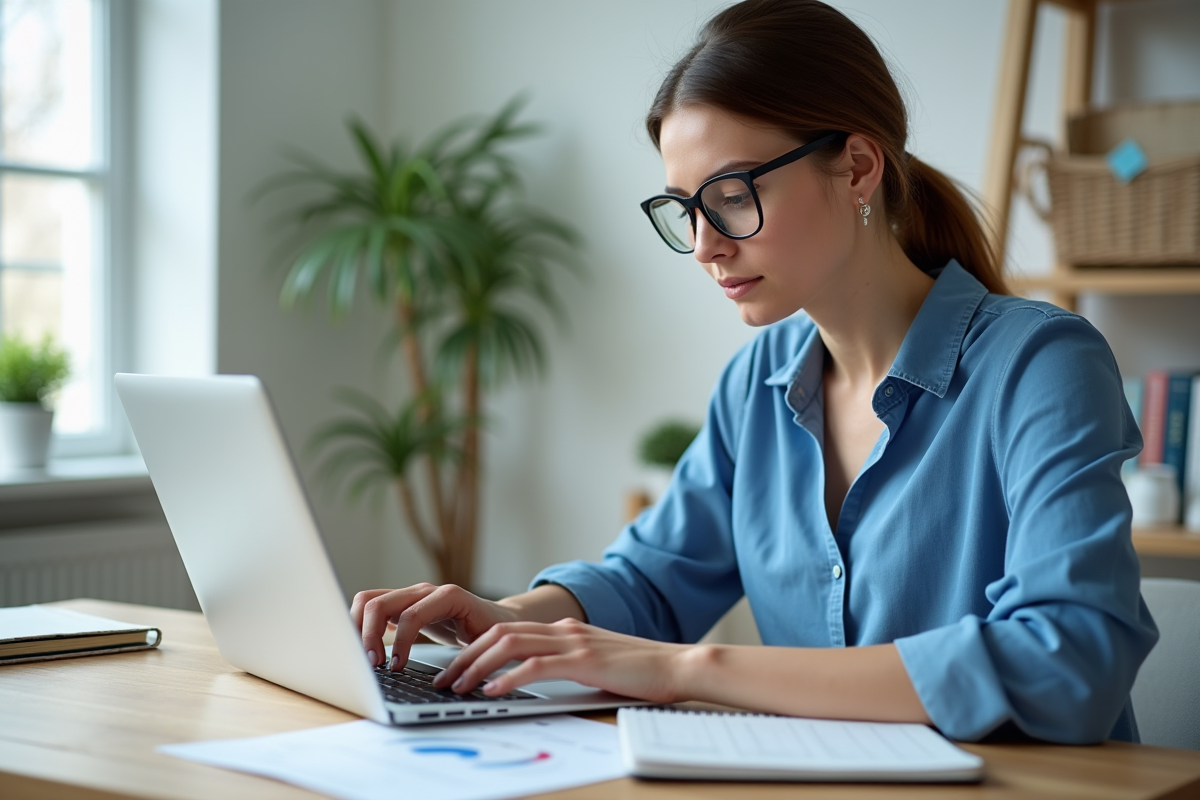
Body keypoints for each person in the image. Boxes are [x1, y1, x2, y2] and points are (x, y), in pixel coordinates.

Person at [351, 0, 1158, 744]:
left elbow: (1069, 659)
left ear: (857, 168)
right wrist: (508, 617)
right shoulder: (759, 383)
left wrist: (687, 670)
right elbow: (652, 580)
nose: (705, 245)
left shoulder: (1041, 364)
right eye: (684, 208)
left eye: (731, 194)